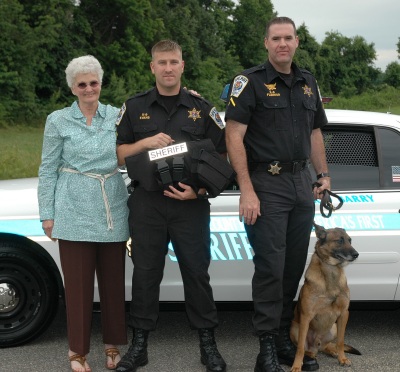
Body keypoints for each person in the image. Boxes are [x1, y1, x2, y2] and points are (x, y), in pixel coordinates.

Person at [224, 17, 330, 372]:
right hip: (265, 185)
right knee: (270, 267)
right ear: (266, 43)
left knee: (292, 268)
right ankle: (266, 349)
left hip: (301, 185)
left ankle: (285, 340)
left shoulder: (307, 82)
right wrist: (247, 190)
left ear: (297, 41)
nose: (282, 44)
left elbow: (315, 132)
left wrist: (323, 175)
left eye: (288, 38)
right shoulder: (249, 82)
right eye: (276, 39)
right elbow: (233, 136)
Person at [115, 40, 227, 372]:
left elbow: (222, 155)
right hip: (147, 204)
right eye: (161, 62)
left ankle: (208, 345)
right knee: (146, 275)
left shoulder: (202, 108)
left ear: (182, 65)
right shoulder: (134, 108)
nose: (167, 68)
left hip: (189, 204)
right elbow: (120, 154)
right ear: (152, 67)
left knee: (196, 273)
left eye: (173, 62)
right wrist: (145, 143)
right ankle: (139, 346)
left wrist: (201, 190)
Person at [38, 55, 129, 372]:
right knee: (77, 286)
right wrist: (47, 214)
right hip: (73, 209)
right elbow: (48, 170)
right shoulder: (57, 120)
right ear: (73, 88)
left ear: (100, 83)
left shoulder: (117, 116)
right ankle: (77, 351)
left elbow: (128, 159)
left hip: (111, 208)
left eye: (93, 82)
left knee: (114, 283)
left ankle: (113, 345)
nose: (89, 88)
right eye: (82, 84)